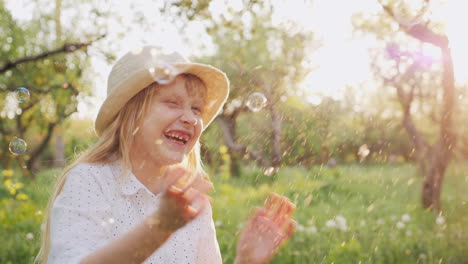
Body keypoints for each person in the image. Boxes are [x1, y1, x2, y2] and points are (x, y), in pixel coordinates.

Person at [35, 45, 296, 264]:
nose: (190, 118)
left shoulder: (187, 200)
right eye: (172, 103)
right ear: (131, 114)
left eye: (196, 108)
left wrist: (245, 261)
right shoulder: (91, 181)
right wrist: (160, 228)